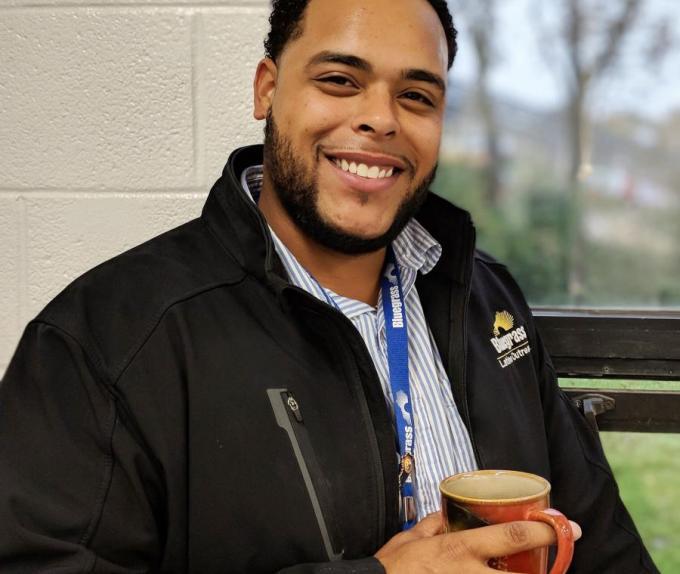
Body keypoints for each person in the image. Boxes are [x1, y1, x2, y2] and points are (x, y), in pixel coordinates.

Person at [0, 0, 658, 572]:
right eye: (341, 80)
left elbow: (603, 544)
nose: (382, 119)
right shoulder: (105, 339)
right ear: (266, 89)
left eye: (417, 96)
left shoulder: (488, 302)